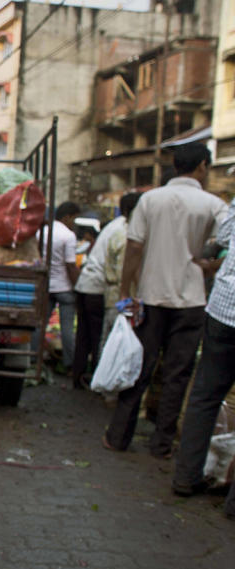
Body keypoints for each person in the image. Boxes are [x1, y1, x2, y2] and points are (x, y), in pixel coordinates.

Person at [103, 142, 228, 458]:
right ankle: (161, 443)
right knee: (177, 374)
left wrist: (125, 292)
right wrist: (208, 265)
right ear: (201, 166)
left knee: (139, 368)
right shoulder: (214, 205)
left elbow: (134, 247)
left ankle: (119, 436)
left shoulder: (149, 200)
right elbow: (224, 248)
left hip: (151, 298)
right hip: (192, 301)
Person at [170, 200, 235, 521]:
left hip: (225, 309)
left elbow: (222, 239)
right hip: (223, 309)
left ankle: (185, 476)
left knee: (205, 396)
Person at [71, 195, 140, 389]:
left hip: (86, 285)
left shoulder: (116, 225)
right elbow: (120, 270)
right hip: (98, 288)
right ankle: (99, 380)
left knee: (84, 336)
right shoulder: (125, 231)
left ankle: (80, 377)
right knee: (99, 338)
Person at [40, 202, 80, 374]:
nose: (74, 223)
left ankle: (34, 360)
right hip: (64, 288)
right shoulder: (68, 236)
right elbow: (71, 265)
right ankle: (68, 364)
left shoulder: (42, 232)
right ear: (67, 217)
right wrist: (78, 287)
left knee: (40, 325)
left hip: (46, 286)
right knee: (67, 328)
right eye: (74, 219)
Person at [100, 193, 142, 347]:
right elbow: (124, 272)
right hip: (122, 300)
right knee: (117, 347)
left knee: (109, 344)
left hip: (115, 297)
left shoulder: (119, 232)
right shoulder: (128, 237)